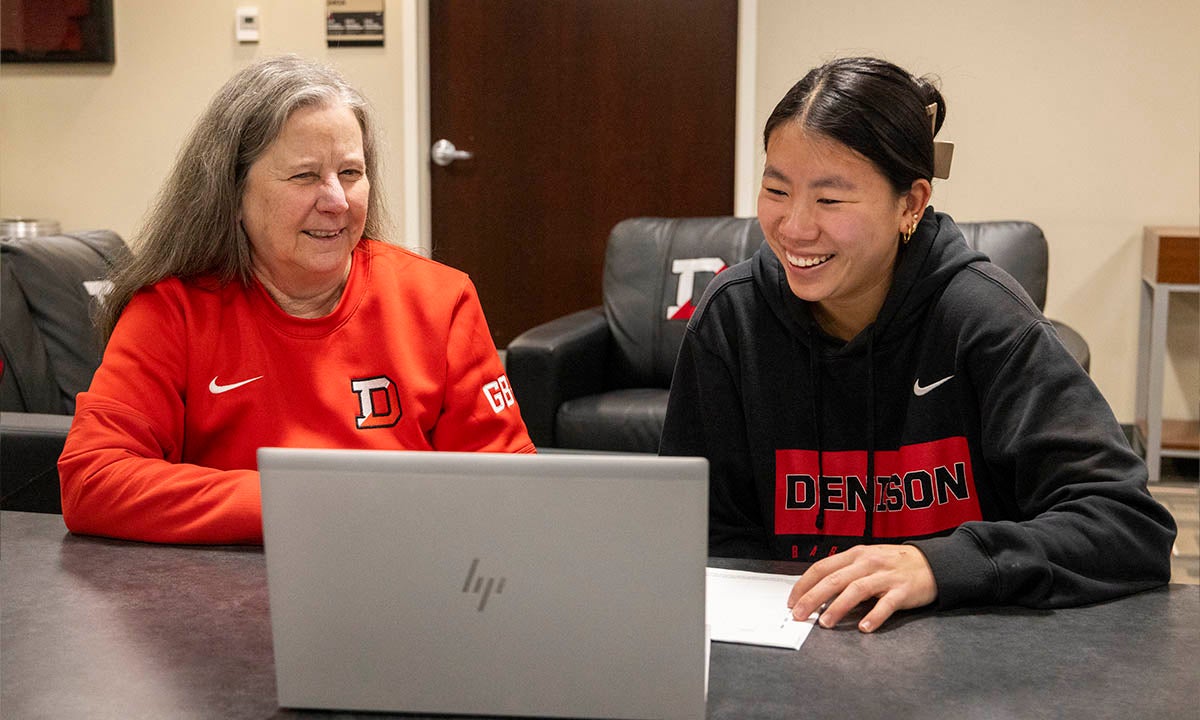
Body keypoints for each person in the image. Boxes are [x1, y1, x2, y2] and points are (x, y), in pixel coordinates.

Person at [660, 56, 1176, 633]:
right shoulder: (733, 320)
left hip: (967, 652)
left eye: (830, 200)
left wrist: (938, 564)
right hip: (789, 646)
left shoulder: (983, 318)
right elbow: (699, 534)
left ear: (911, 202)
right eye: (776, 189)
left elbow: (1129, 525)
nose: (794, 227)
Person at [58, 55, 535, 544]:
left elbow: (508, 489)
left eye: (351, 172)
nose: (336, 200)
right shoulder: (171, 310)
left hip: (405, 584)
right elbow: (92, 479)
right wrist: (304, 503)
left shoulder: (441, 300)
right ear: (233, 193)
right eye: (305, 176)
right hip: (222, 594)